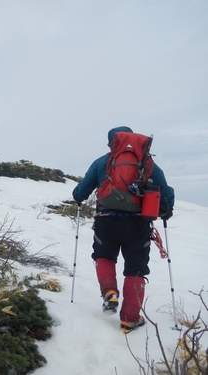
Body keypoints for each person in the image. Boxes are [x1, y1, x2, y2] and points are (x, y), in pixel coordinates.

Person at [72, 126, 175, 333]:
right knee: (136, 269)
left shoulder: (102, 162)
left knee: (104, 256)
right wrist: (165, 212)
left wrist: (78, 196)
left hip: (106, 221)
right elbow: (166, 193)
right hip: (138, 224)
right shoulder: (148, 164)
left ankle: (110, 292)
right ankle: (130, 319)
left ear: (113, 143)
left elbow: (81, 191)